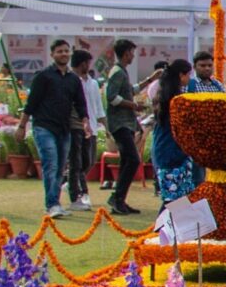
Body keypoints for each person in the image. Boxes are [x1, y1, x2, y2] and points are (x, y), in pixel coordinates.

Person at [24, 46, 87, 218]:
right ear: (52, 54)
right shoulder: (44, 76)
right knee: (50, 165)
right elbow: (31, 103)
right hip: (44, 127)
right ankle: (51, 204)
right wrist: (22, 126)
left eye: (66, 51)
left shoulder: (73, 79)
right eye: (59, 51)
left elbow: (80, 103)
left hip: (64, 128)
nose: (63, 54)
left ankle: (55, 203)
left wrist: (85, 120)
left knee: (60, 168)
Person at [150, 59, 202, 206]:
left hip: (166, 151)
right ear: (181, 75)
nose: (190, 78)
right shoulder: (175, 101)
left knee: (177, 201)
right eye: (188, 74)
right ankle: (162, 222)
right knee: (174, 203)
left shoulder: (164, 96)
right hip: (172, 153)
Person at [104, 40, 144, 216]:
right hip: (119, 123)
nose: (133, 56)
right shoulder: (118, 72)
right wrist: (133, 105)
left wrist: (150, 80)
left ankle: (119, 199)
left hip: (125, 123)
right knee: (133, 160)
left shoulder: (121, 71)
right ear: (127, 53)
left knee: (127, 160)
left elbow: (129, 90)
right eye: (132, 52)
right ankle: (117, 198)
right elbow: (112, 97)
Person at [69, 48, 101, 210]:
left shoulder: (93, 83)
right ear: (82, 64)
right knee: (78, 162)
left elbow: (97, 105)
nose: (89, 66)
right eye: (88, 63)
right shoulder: (71, 81)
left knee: (89, 161)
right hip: (76, 126)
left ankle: (70, 181)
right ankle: (82, 193)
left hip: (91, 126)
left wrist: (104, 124)